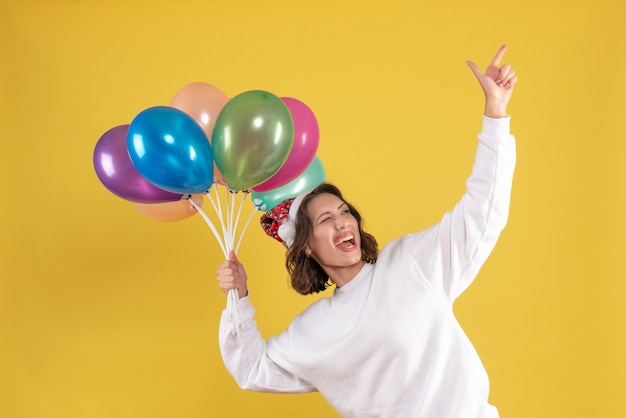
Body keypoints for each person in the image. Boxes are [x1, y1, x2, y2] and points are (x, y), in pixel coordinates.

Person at [216, 44, 518, 418]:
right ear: (306, 247)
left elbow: (482, 211)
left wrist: (496, 115)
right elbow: (252, 368)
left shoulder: (410, 263)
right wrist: (238, 297)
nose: (343, 222)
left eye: (345, 212)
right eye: (326, 220)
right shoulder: (315, 331)